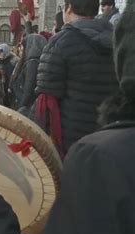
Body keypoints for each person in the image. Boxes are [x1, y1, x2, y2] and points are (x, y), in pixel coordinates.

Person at [0, 4, 135, 234]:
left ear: (67, 8)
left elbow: (44, 101)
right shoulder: (108, 36)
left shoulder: (63, 43)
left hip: (75, 153)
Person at [34, 0, 119, 156]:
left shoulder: (60, 42)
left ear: (69, 9)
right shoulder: (117, 39)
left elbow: (47, 103)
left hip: (72, 143)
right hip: (112, 138)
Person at [10, 34, 48, 114]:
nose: (21, 50)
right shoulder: (32, 62)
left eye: (23, 47)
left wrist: (20, 110)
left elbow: (28, 91)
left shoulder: (32, 64)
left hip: (24, 110)